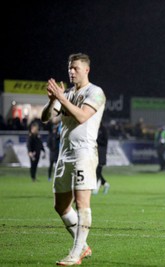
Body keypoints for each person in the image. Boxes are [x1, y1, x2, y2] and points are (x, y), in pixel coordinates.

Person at [41, 53, 106, 265]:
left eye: (75, 68)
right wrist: (52, 101)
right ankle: (83, 245)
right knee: (61, 206)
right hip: (65, 153)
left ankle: (76, 252)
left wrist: (61, 98)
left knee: (81, 202)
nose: (71, 71)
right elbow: (46, 118)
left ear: (86, 69)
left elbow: (81, 116)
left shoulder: (95, 92)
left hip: (84, 153)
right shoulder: (67, 93)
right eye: (70, 67)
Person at [92, 121, 110, 195]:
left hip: (101, 154)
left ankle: (97, 188)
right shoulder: (95, 129)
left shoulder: (103, 130)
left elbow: (105, 142)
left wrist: (96, 140)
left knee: (98, 171)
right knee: (96, 171)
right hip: (95, 153)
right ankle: (105, 184)